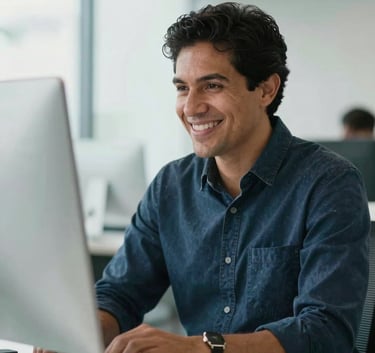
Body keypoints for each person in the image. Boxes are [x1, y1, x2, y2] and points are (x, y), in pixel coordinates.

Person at [95, 3, 370, 353]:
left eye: (211, 85)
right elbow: (119, 293)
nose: (191, 107)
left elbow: (325, 332)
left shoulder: (329, 183)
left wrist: (200, 348)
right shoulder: (171, 186)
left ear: (266, 90)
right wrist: (77, 333)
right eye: (182, 87)